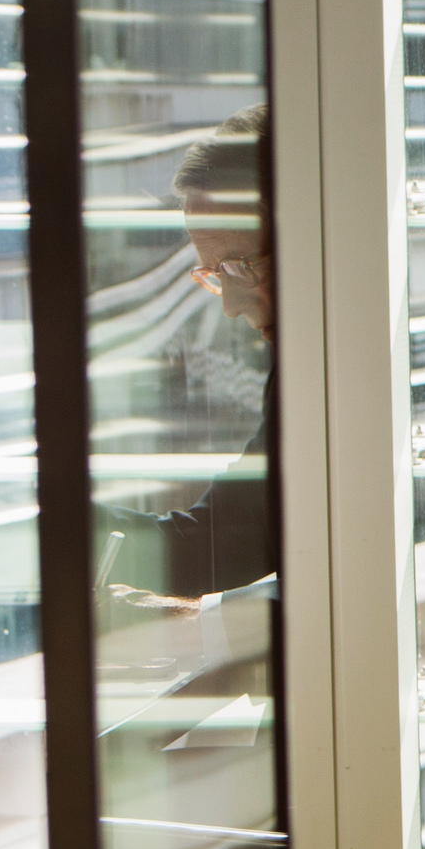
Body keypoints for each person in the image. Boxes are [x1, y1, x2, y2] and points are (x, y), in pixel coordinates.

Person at [105, 102, 279, 613]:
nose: (230, 304)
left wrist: (55, 533)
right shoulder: (317, 354)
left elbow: (224, 546)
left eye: (241, 267)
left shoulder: (331, 366)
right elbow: (231, 539)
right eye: (215, 275)